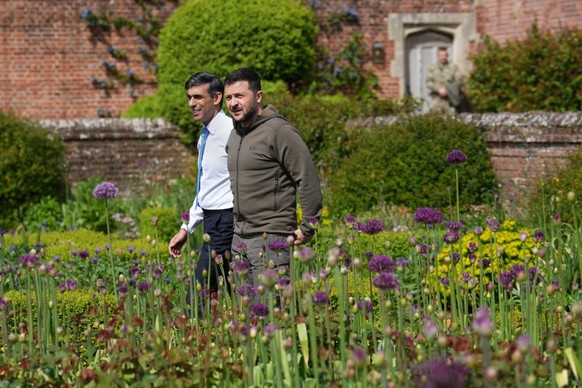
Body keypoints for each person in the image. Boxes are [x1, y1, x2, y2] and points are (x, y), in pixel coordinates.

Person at [223, 68, 323, 290]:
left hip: (270, 238)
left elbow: (307, 178)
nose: (233, 103)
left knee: (271, 315)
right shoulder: (235, 134)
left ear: (258, 96)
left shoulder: (279, 131)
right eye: (229, 98)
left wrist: (308, 227)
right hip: (239, 237)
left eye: (240, 96)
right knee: (244, 315)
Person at [168, 72, 234, 300]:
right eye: (189, 97)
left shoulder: (229, 131)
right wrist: (186, 227)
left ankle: (192, 329)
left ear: (216, 98)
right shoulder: (205, 135)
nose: (191, 104)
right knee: (234, 292)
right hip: (211, 220)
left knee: (197, 297)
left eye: (197, 97)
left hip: (226, 220)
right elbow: (204, 187)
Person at [426, 47, 464, 115]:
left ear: (447, 56)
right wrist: (438, 89)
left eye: (445, 55)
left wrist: (448, 89)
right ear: (438, 56)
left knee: (452, 119)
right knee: (433, 117)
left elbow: (459, 81)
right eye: (441, 55)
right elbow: (428, 82)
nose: (443, 57)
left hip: (450, 100)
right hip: (437, 99)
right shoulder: (433, 68)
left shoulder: (453, 67)